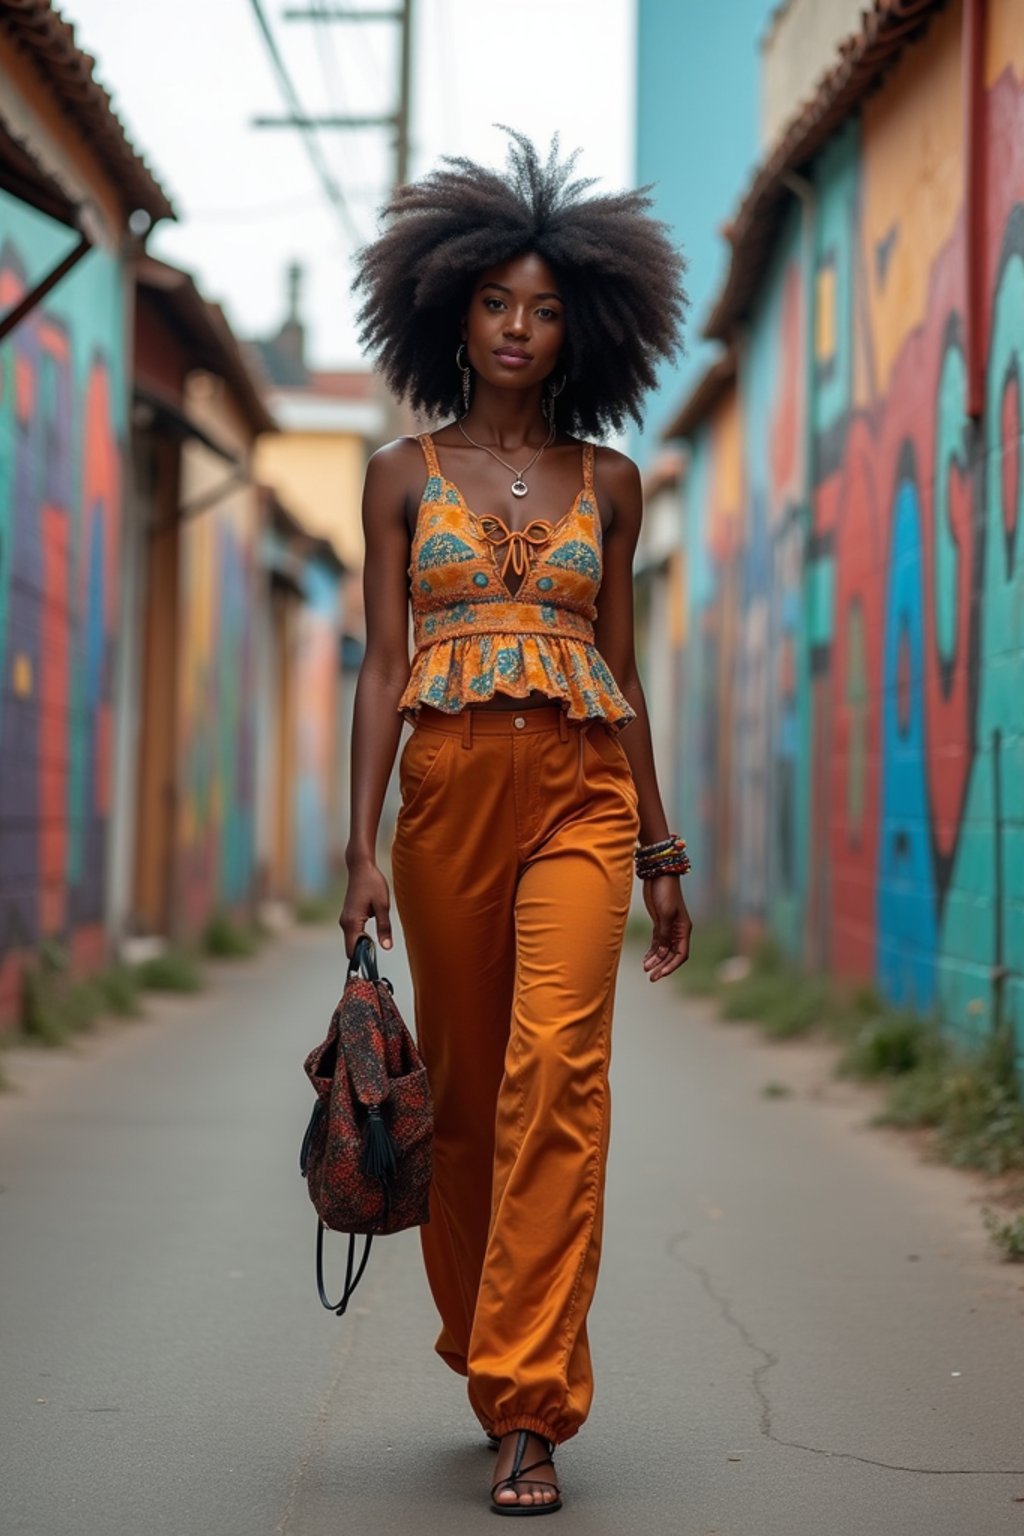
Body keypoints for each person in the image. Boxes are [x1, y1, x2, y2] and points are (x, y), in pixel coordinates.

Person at [340, 131, 693, 1516]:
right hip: (441, 802)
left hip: (583, 797)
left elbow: (622, 672)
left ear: (584, 328)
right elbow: (381, 665)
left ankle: (530, 1401)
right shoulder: (394, 475)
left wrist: (660, 850)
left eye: (546, 310)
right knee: (475, 1098)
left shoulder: (613, 484)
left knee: (560, 1077)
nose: (519, 330)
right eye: (497, 303)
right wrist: (356, 846)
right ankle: (489, 1340)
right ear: (450, 309)